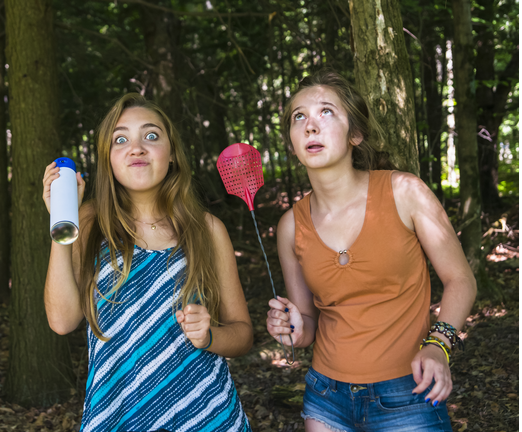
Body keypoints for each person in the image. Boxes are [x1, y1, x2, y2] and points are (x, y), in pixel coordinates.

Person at [265, 69, 477, 432]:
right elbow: (307, 324)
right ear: (292, 140)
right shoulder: (290, 226)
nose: (310, 126)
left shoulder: (405, 192)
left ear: (356, 135)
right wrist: (292, 328)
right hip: (326, 397)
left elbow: (461, 280)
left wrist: (438, 345)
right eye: (299, 117)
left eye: (326, 112)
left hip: (410, 391)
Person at [42, 93, 253, 432]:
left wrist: (210, 335)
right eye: (120, 139)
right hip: (119, 415)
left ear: (171, 155)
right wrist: (61, 221)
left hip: (207, 416)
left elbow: (242, 334)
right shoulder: (90, 222)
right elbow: (62, 321)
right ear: (108, 159)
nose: (136, 148)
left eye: (151, 136)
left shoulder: (208, 230)